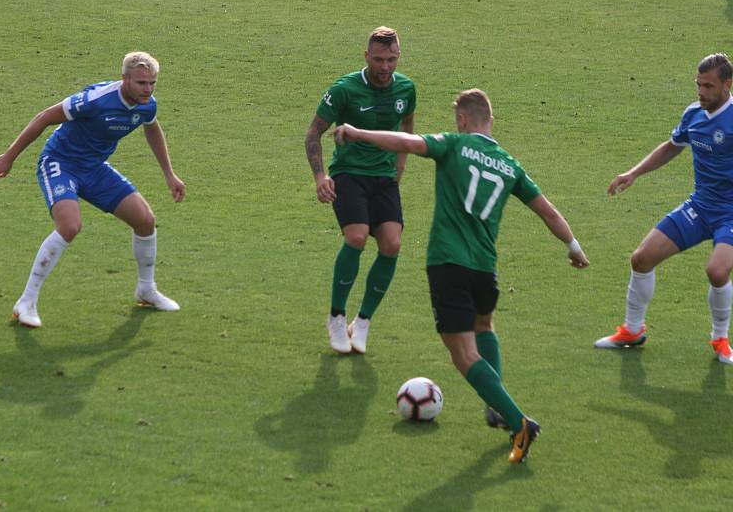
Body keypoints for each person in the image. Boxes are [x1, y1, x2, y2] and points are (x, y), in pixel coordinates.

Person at [334, 89, 590, 463]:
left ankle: (519, 421)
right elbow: (548, 211)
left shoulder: (453, 144)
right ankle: (498, 409)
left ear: (463, 120)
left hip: (448, 264)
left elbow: (406, 141)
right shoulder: (509, 164)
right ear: (490, 120)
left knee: (463, 355)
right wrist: (574, 247)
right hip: (485, 268)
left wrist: (358, 133)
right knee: (483, 326)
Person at [0, 51, 184, 328]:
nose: (148, 89)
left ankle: (146, 289)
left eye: (152, 83)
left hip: (93, 168)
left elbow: (151, 128)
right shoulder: (95, 100)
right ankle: (26, 302)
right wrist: (9, 156)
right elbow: (45, 117)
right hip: (60, 162)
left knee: (145, 220)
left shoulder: (147, 105)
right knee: (70, 226)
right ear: (125, 79)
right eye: (141, 83)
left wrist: (169, 174)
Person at [596, 53, 733, 366]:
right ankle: (632, 331)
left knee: (717, 270)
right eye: (698, 85)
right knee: (641, 259)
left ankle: (721, 338)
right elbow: (673, 146)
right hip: (700, 206)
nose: (701, 92)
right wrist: (633, 173)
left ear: (727, 84)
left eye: (709, 86)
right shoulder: (694, 114)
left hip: (731, 213)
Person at [304, 26, 416, 355]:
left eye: (391, 59)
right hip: (349, 173)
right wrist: (320, 176)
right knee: (356, 236)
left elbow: (407, 126)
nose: (385, 67)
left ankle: (362, 322)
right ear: (366, 57)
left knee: (392, 244)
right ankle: (336, 316)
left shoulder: (407, 88)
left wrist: (400, 167)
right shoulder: (344, 90)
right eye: (379, 59)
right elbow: (313, 133)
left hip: (384, 177)